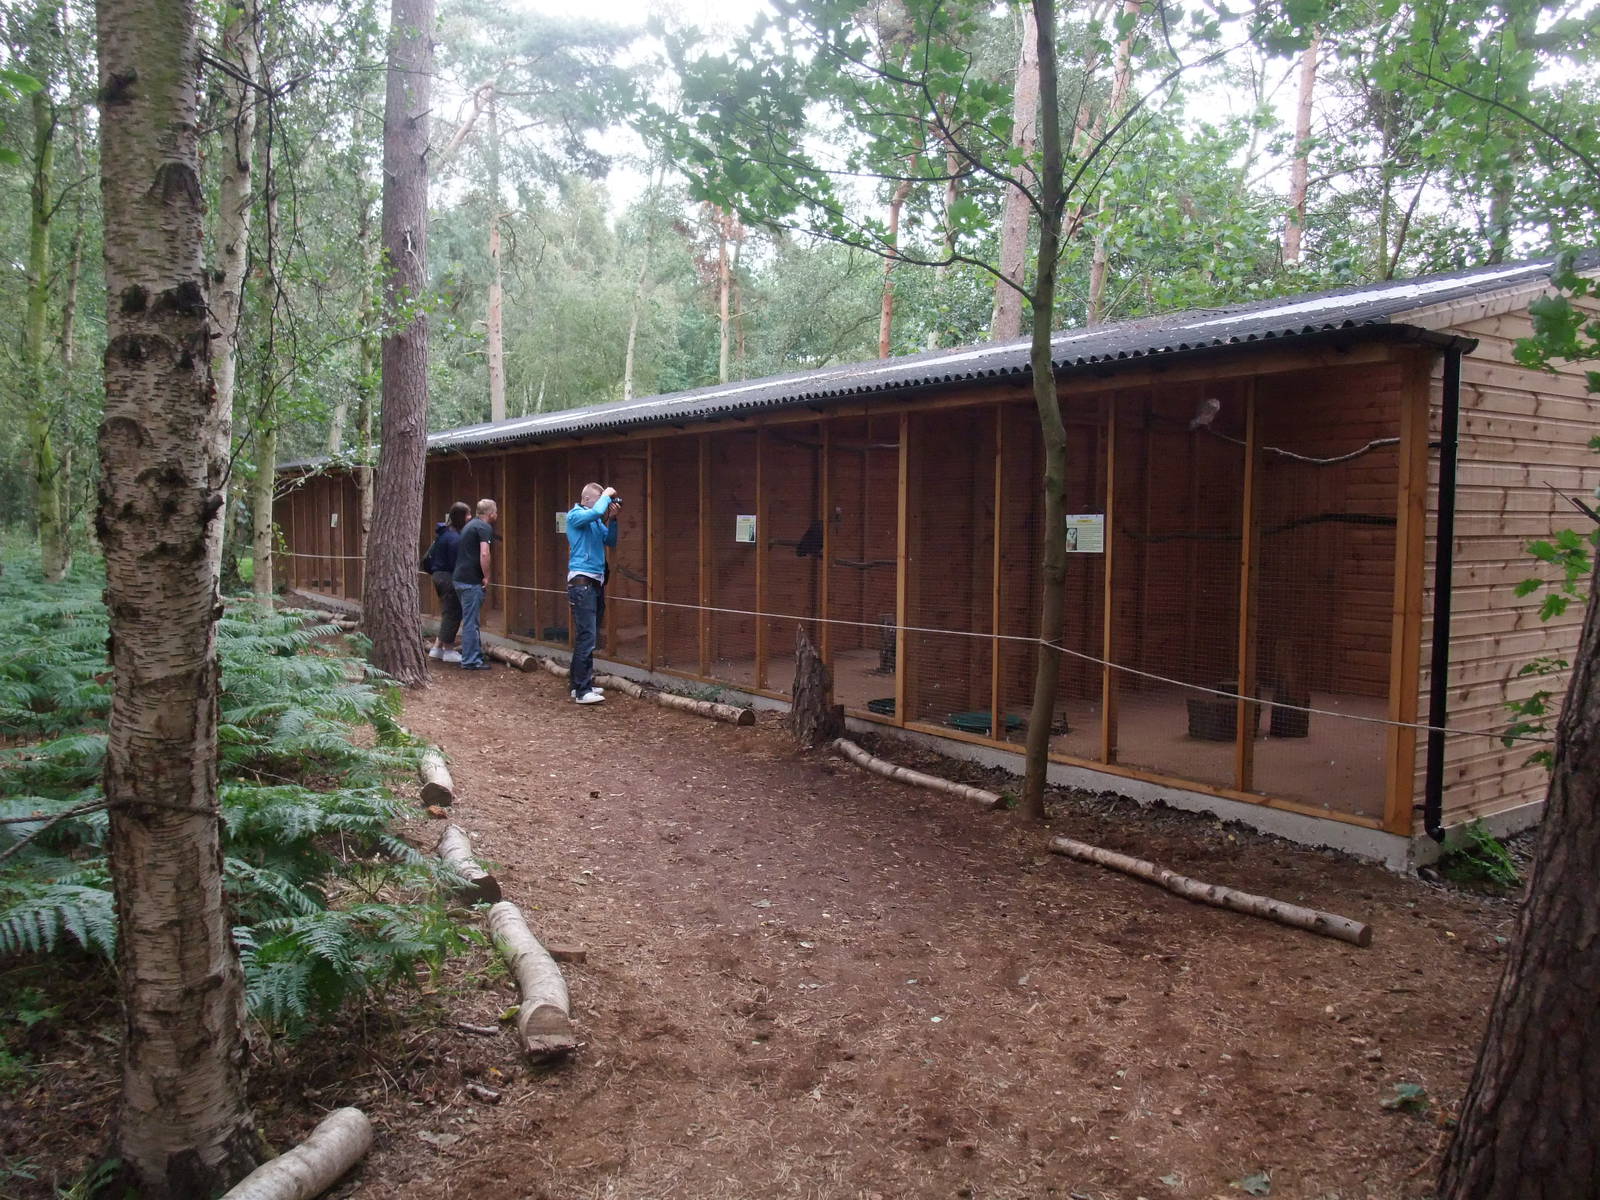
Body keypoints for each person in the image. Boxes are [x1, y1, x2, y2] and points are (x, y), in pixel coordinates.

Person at [565, 482, 619, 703]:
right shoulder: (575, 515)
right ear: (586, 499)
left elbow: (610, 541)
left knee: (588, 636)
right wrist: (607, 495)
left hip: (595, 583)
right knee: (587, 637)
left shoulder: (596, 520)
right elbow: (597, 510)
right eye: (599, 498)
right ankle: (582, 691)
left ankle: (578, 684)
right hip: (582, 583)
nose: (603, 503)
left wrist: (613, 520)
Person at [452, 498, 498, 671]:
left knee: (470, 619)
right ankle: (470, 660)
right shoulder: (484, 527)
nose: (497, 515)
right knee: (471, 621)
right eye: (496, 511)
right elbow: (484, 554)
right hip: (471, 581)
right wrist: (486, 576)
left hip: (459, 579)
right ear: (490, 513)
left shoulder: (470, 525)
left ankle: (474, 655)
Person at [424, 502, 471, 662]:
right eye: (468, 515)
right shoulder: (454, 539)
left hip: (438, 576)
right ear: (461, 517)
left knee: (447, 612)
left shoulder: (443, 534)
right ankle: (449, 651)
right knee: (453, 613)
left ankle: (437, 648)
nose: (470, 518)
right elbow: (457, 563)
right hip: (448, 578)